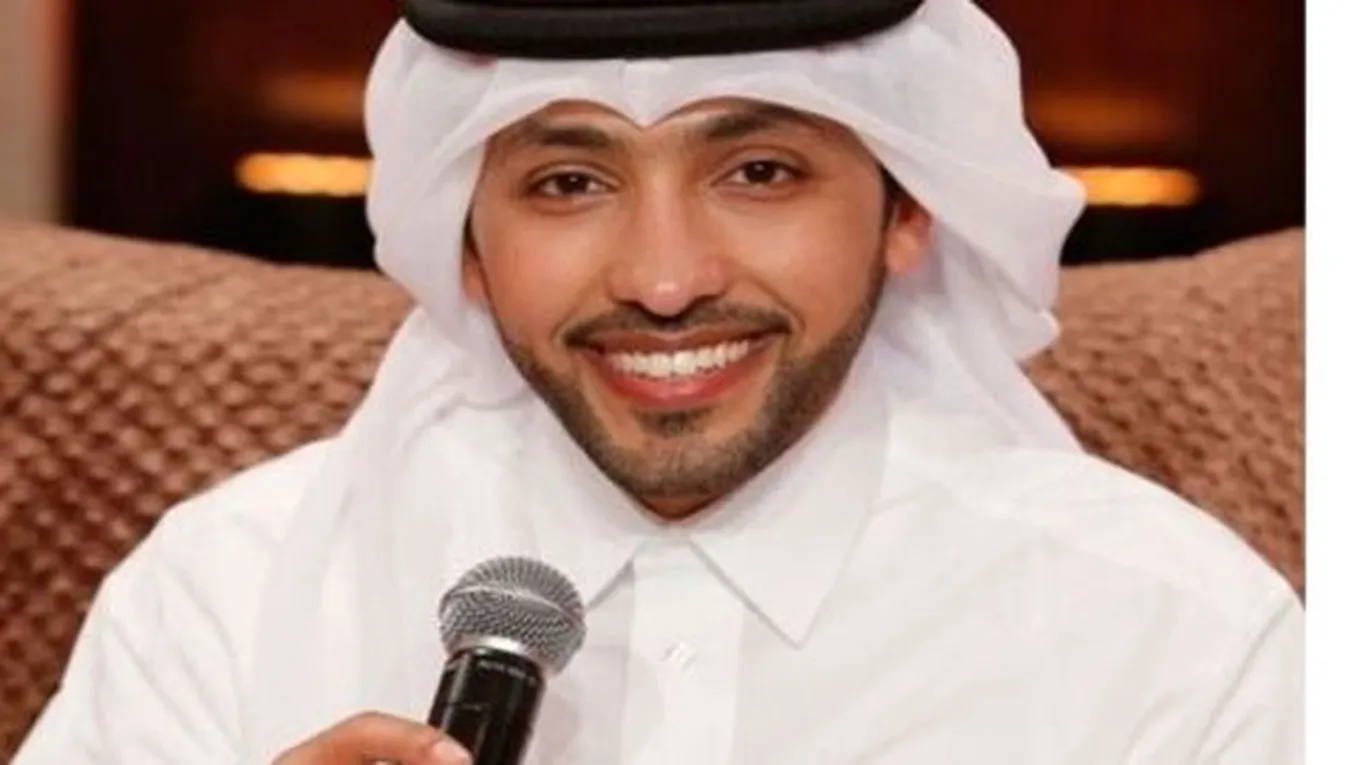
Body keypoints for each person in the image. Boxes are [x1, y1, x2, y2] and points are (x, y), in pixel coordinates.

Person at [15, 0, 1302, 763]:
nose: (666, 278)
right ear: (466, 246)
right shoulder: (227, 594)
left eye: (760, 174)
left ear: (907, 212)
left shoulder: (1166, 630)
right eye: (568, 183)